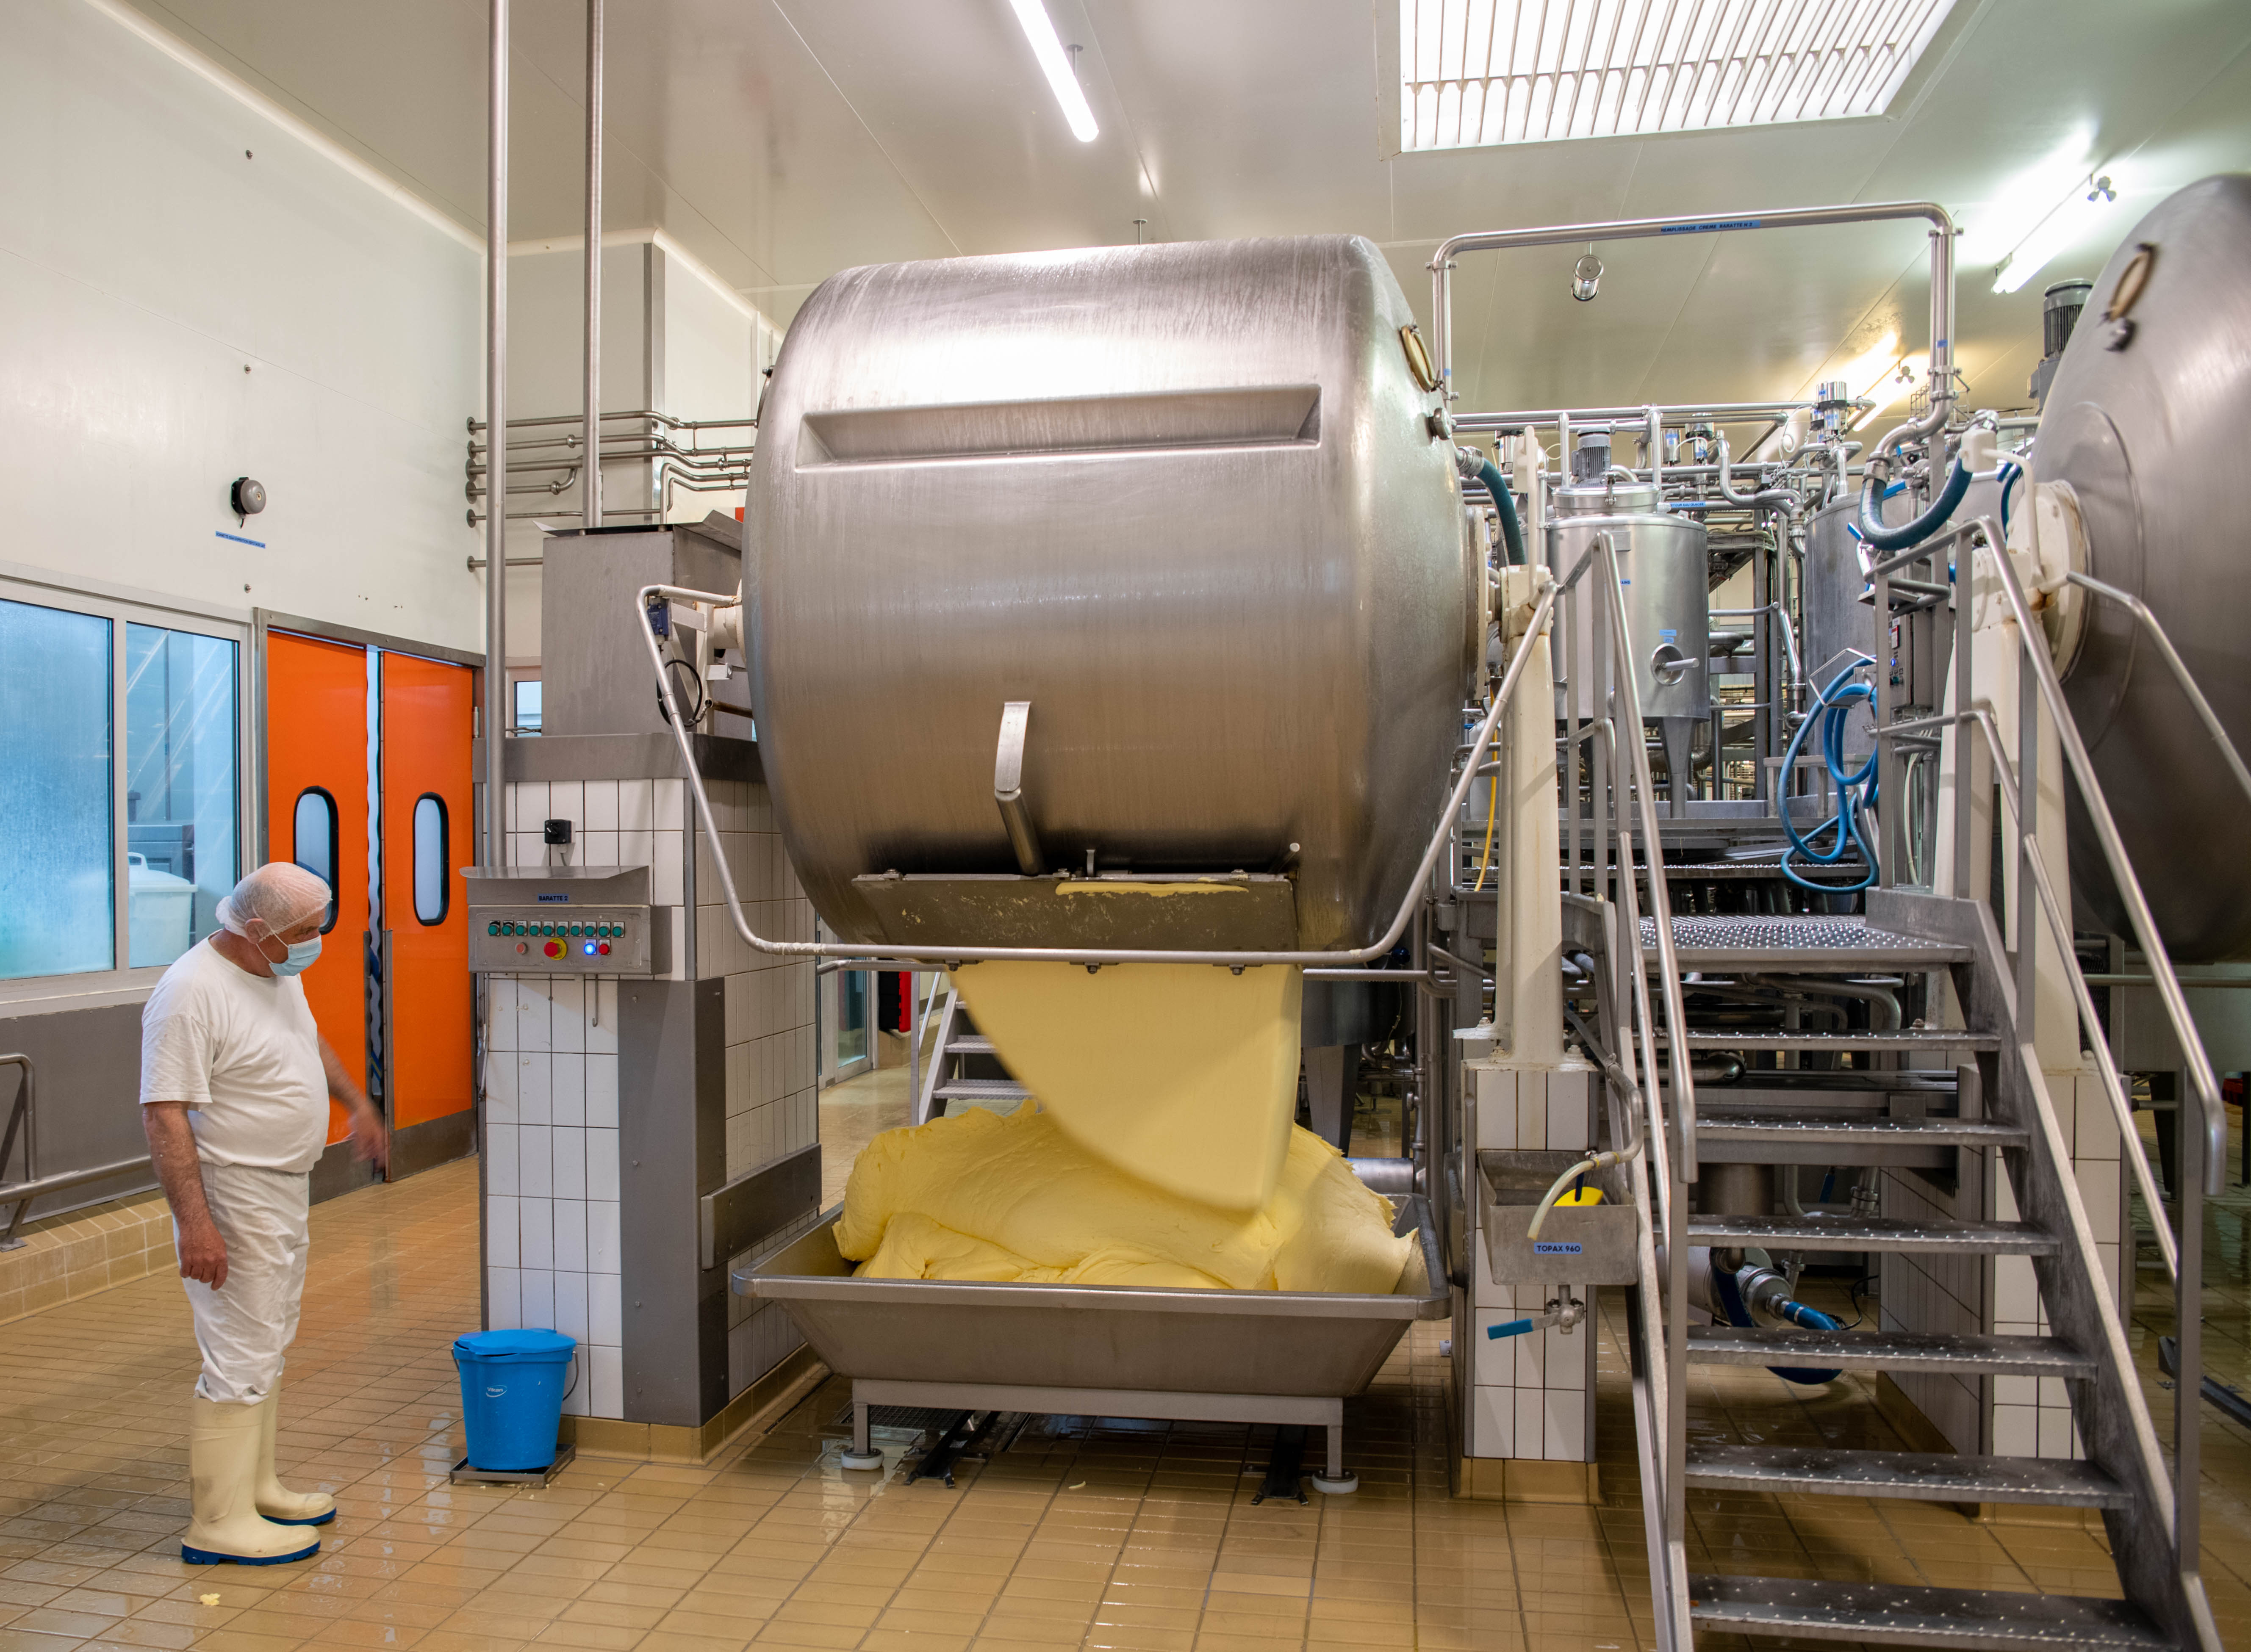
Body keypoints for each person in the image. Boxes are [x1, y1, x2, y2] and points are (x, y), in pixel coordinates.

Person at [139, 861, 388, 1566]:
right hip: (233, 1189)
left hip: (281, 1183)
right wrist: (196, 1223)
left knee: (270, 1334)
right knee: (241, 1345)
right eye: (306, 931)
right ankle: (218, 1521)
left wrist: (356, 1102)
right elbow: (163, 1113)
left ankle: (256, 1487)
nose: (316, 941)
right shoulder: (190, 992)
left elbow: (305, 1040)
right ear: (257, 929)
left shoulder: (274, 968)